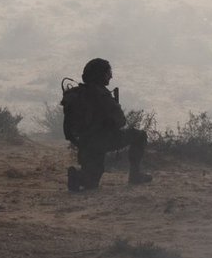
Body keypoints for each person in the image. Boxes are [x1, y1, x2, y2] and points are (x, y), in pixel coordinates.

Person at [61, 58, 153, 192]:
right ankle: (135, 175)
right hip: (102, 141)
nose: (110, 76)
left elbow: (69, 127)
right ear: (101, 75)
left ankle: (77, 177)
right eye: (108, 73)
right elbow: (121, 121)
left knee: (91, 182)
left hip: (83, 144)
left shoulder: (78, 93)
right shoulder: (101, 94)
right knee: (139, 136)